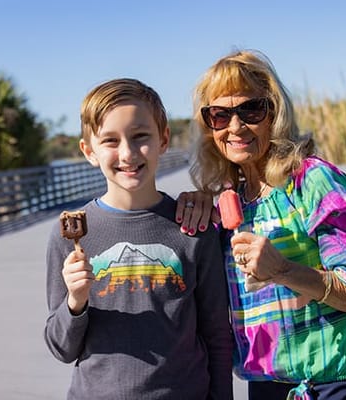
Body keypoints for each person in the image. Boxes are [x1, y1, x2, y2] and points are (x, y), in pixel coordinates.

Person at [176, 50, 346, 399]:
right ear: (209, 127)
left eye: (251, 110)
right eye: (220, 115)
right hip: (265, 382)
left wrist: (284, 270)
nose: (236, 127)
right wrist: (194, 206)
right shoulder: (232, 200)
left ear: (274, 112)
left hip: (332, 381)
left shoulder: (312, 181)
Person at [44, 78, 233, 400]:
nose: (128, 153)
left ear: (163, 139)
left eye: (140, 136)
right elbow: (61, 347)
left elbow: (216, 335)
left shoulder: (193, 227)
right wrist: (75, 302)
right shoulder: (70, 237)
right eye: (110, 141)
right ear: (89, 151)